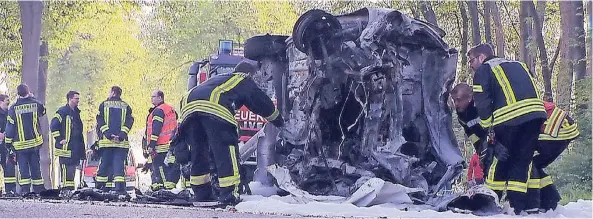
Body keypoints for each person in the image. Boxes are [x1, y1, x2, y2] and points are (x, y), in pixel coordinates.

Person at [173, 60, 283, 205]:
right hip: (213, 107)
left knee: (199, 152)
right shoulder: (242, 79)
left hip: (188, 109)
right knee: (225, 151)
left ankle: (201, 193)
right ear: (250, 74)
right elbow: (260, 101)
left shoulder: (219, 79)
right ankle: (229, 194)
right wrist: (278, 120)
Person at [468, 44, 547, 215]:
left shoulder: (484, 69)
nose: (471, 66)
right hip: (535, 116)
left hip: (509, 118)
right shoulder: (519, 64)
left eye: (471, 60)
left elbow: (482, 103)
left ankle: (489, 201)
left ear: (482, 57)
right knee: (522, 161)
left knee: (499, 159)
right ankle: (518, 206)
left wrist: (488, 128)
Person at [527, 101, 580, 212]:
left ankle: (532, 204)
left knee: (525, 162)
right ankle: (550, 200)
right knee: (534, 164)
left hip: (555, 132)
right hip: (565, 131)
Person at [5, 84, 47, 195]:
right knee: (35, 167)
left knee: (23, 170)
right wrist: (32, 98)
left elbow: (10, 127)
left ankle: (25, 191)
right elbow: (43, 111)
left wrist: (8, 144)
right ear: (28, 92)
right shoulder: (35, 104)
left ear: (18, 94)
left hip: (20, 146)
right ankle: (39, 191)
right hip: (34, 144)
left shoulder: (13, 108)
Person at [95, 86, 134, 196]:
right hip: (121, 143)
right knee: (119, 166)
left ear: (112, 92)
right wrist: (121, 136)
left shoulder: (103, 105)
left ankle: (100, 188)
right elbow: (129, 122)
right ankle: (119, 189)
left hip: (106, 143)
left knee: (104, 165)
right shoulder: (126, 106)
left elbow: (100, 121)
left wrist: (108, 135)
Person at [50, 91, 85, 195]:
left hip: (75, 148)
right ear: (70, 99)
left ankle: (69, 191)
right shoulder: (62, 111)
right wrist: (60, 139)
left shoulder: (76, 113)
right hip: (65, 149)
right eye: (76, 98)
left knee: (72, 171)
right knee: (66, 171)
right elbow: (53, 126)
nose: (78, 100)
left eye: (78, 98)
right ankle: (66, 191)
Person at [144, 90, 180, 191]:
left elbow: (156, 129)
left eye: (154, 97)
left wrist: (151, 145)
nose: (152, 98)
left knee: (159, 169)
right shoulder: (170, 109)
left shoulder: (158, 110)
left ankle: (162, 191)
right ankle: (168, 189)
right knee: (168, 168)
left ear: (160, 98)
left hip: (160, 146)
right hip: (171, 144)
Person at [0, 94, 17, 197]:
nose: (8, 102)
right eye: (7, 101)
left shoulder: (9, 113)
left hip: (7, 145)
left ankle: (10, 190)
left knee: (9, 167)